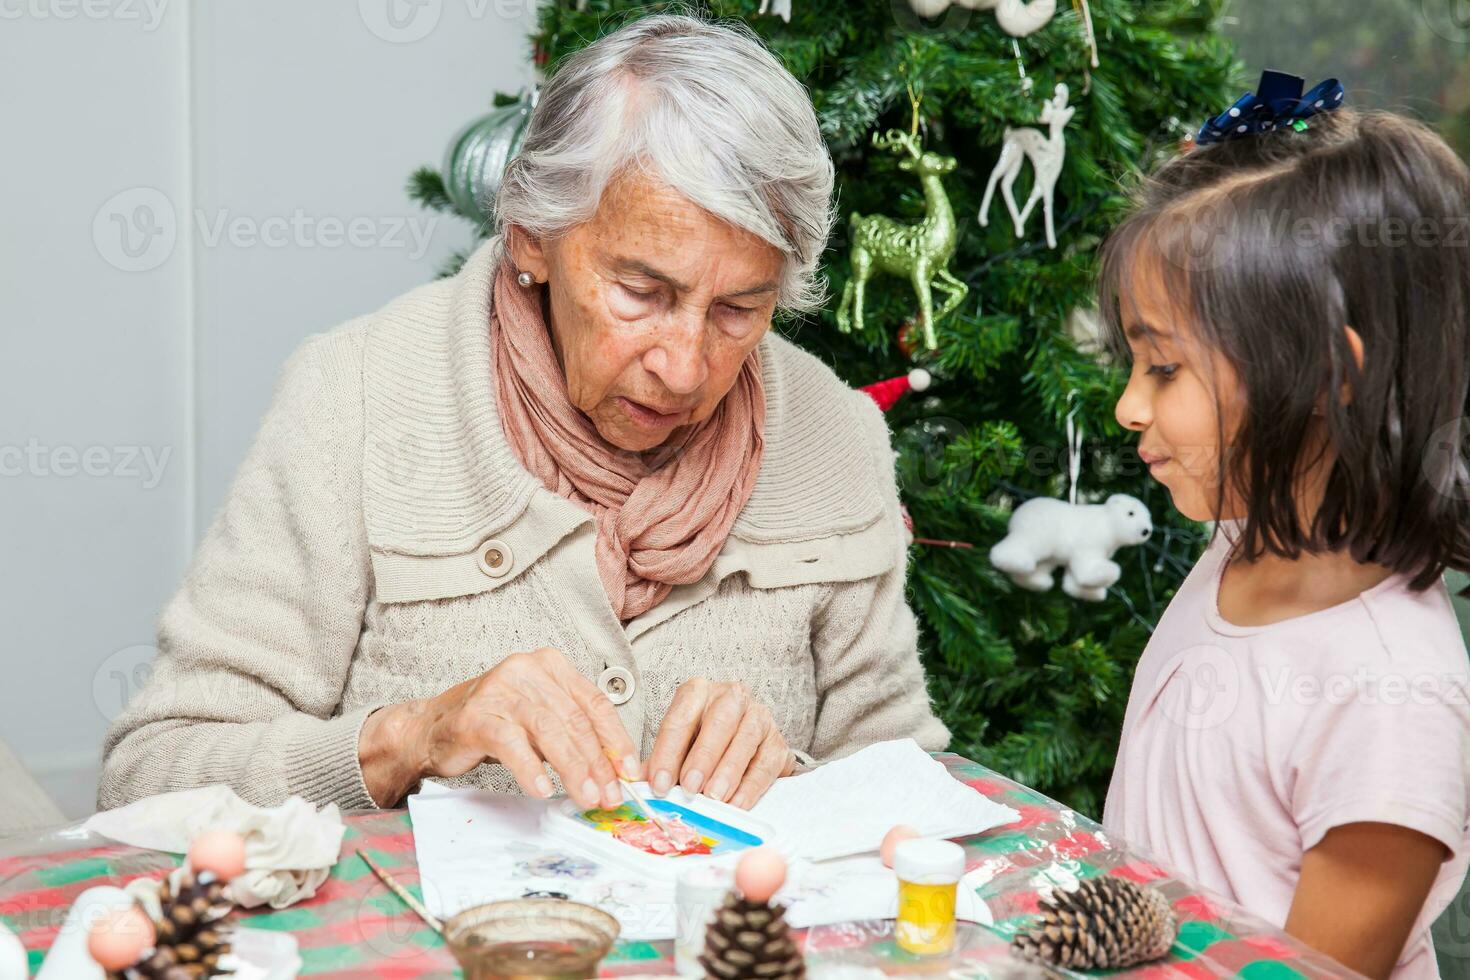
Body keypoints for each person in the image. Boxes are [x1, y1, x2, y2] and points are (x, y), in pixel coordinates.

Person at [97, 13, 949, 817]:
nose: (685, 367)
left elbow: (912, 794)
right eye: (642, 292)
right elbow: (151, 778)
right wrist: (408, 739)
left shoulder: (836, 434)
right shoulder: (355, 396)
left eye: (738, 310)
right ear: (532, 235)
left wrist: (792, 778)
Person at [1099, 76, 1470, 978]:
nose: (1125, 408)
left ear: (1320, 377)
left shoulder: (1392, 696)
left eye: (1163, 369)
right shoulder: (1243, 544)